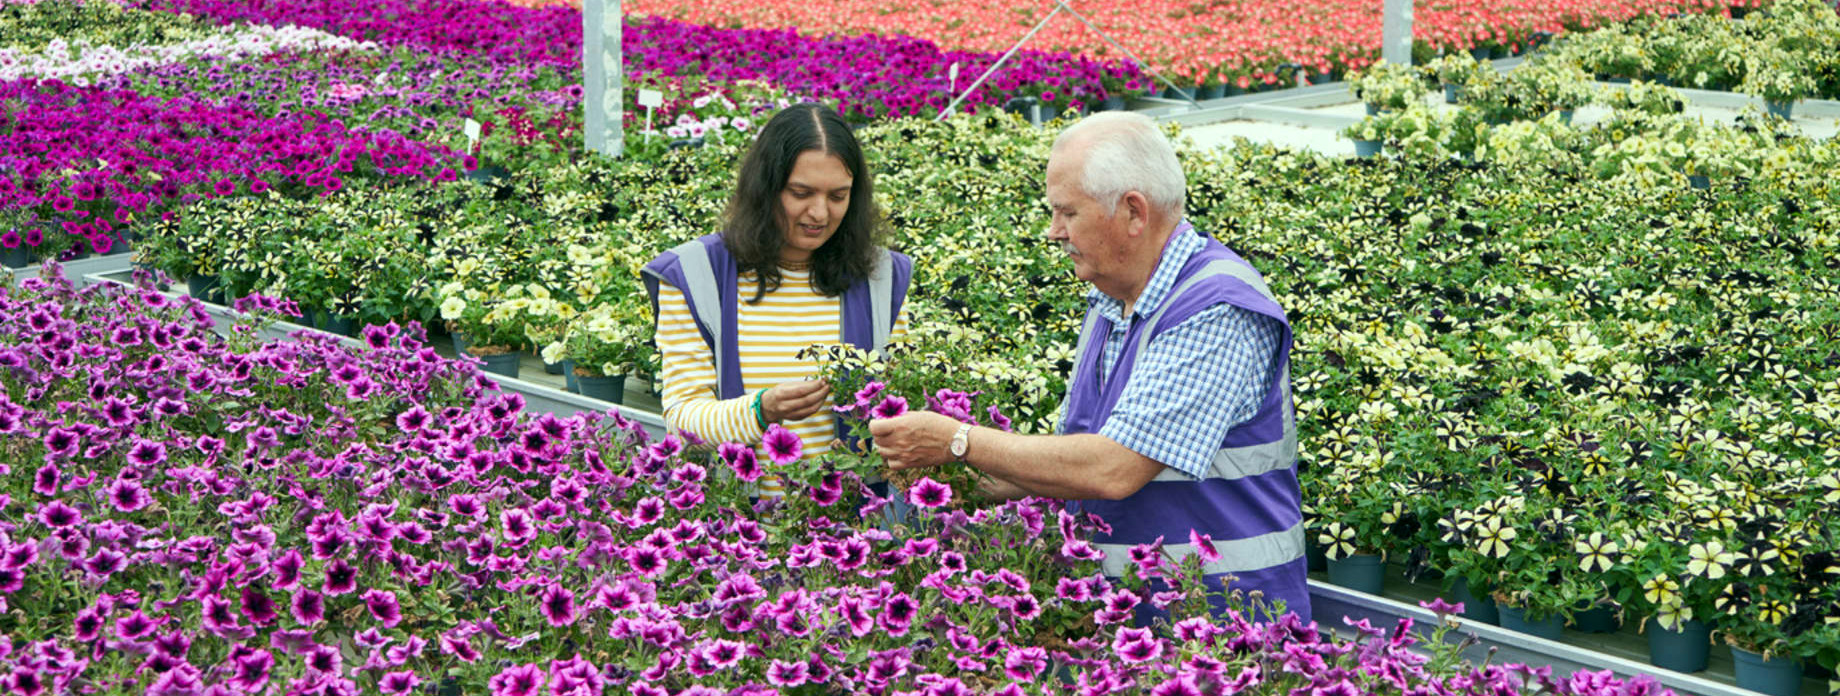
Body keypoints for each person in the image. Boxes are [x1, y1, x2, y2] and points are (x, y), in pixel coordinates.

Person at [869, 111, 1309, 624]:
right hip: (1135, 618)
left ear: (1133, 212)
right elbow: (1073, 459)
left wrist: (959, 441)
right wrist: (953, 481)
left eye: (1067, 213)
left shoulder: (1216, 308)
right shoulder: (1115, 299)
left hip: (1224, 627)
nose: (1054, 232)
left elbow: (1113, 468)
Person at [643, 104, 911, 496]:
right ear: (765, 187)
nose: (819, 213)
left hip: (853, 534)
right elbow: (682, 420)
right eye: (801, 193)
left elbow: (903, 401)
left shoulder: (882, 277)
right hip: (737, 535)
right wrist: (760, 411)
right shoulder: (696, 274)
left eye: (838, 196)